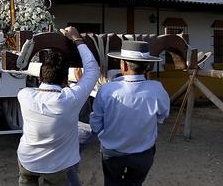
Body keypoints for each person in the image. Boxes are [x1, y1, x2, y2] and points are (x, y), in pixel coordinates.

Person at [17, 26, 100, 186]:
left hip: (28, 161)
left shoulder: (24, 95)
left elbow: (19, 66)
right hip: (56, 166)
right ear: (65, 81)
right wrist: (77, 39)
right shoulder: (70, 98)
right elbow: (92, 70)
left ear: (40, 77)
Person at [90, 40, 170, 186]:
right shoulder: (157, 89)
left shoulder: (107, 90)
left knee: (111, 183)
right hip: (143, 151)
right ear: (146, 66)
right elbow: (163, 115)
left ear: (124, 65)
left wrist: (105, 134)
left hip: (112, 151)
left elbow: (96, 123)